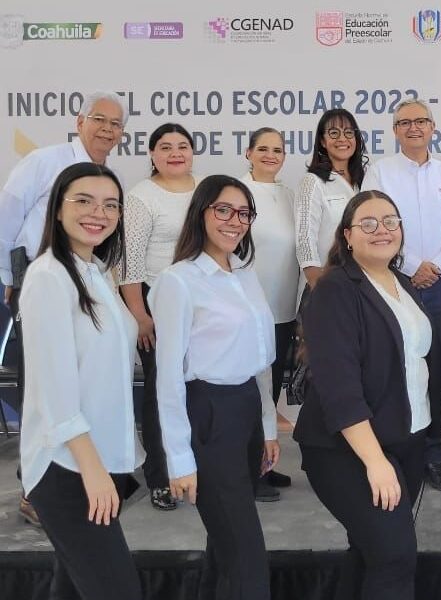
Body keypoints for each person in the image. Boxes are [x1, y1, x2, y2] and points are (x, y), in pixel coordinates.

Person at [294, 190, 430, 600]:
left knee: (370, 552)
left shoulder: (403, 284)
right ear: (347, 236)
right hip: (347, 449)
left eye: (390, 221)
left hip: (405, 441)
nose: (381, 230)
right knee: (394, 558)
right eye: (368, 223)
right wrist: (375, 461)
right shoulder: (335, 289)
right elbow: (339, 386)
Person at [0, 90, 127, 525]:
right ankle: (37, 487)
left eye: (115, 124)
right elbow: (7, 216)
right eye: (99, 119)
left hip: (85, 280)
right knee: (42, 383)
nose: (107, 129)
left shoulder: (107, 176)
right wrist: (9, 277)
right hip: (37, 275)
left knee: (81, 376)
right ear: (79, 121)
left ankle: (87, 468)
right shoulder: (44, 161)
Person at [150, 175, 278, 600]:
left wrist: (268, 427)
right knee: (246, 557)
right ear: (201, 212)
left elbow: (260, 359)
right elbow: (168, 376)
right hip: (207, 413)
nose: (234, 221)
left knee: (224, 548)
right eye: (223, 209)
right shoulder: (178, 281)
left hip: (246, 409)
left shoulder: (244, 273)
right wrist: (179, 460)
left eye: (243, 213)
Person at [20, 163, 143, 599]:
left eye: (111, 205)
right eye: (84, 201)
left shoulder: (96, 272)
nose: (99, 213)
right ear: (58, 208)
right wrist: (93, 470)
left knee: (74, 588)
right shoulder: (48, 277)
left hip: (101, 459)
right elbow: (55, 390)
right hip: (68, 466)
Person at [362, 98, 441, 492]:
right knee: (393, 364)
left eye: (421, 121)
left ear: (432, 127)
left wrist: (436, 266)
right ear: (395, 130)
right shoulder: (380, 172)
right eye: (405, 122)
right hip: (393, 279)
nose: (413, 128)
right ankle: (391, 450)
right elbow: (372, 224)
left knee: (437, 370)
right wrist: (411, 266)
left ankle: (431, 456)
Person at [119, 123, 198, 511]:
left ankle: (194, 469)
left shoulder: (205, 190)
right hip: (155, 301)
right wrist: (139, 314)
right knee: (160, 388)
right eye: (165, 147)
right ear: (152, 154)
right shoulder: (141, 197)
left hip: (200, 299)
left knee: (198, 386)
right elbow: (129, 264)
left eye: (182, 146)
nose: (175, 153)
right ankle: (160, 477)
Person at [241, 126, 300, 499]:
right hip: (250, 309)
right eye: (262, 149)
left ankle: (265, 462)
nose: (270, 155)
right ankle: (249, 471)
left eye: (277, 150)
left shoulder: (289, 195)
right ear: (248, 153)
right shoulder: (237, 192)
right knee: (252, 393)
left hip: (282, 308)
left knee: (272, 388)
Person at [297, 108, 367, 288]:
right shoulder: (313, 181)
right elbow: (304, 237)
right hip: (325, 282)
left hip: (361, 282)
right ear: (322, 141)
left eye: (348, 132)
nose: (342, 139)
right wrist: (316, 281)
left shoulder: (364, 182)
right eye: (334, 133)